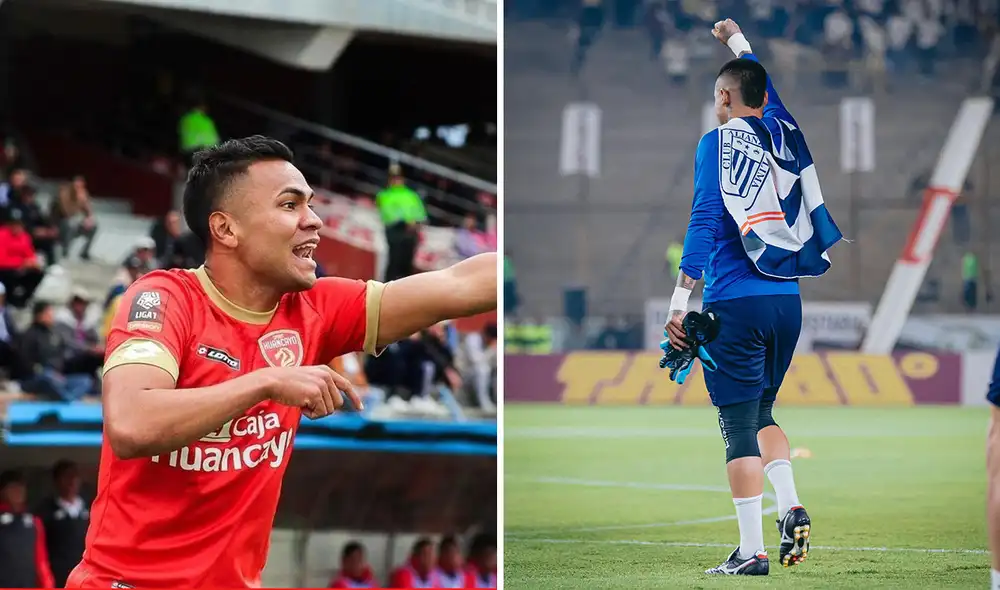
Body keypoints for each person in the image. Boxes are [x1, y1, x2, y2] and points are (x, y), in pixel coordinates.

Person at [66, 136, 496, 588]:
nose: (314, 221)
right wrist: (265, 382)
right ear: (226, 229)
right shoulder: (164, 298)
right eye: (290, 205)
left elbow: (459, 284)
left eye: (310, 204)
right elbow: (132, 424)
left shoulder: (317, 308)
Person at [662, 19, 842, 576]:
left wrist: (679, 302)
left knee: (737, 425)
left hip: (735, 302)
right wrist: (738, 43)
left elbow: (704, 219)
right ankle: (790, 505)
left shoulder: (715, 143)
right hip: (787, 302)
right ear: (765, 97)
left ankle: (750, 552)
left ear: (723, 97)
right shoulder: (784, 130)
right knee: (763, 412)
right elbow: (763, 88)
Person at [35, 460, 91, 588]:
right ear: (56, 481)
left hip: (85, 576)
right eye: (66, 476)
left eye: (74, 476)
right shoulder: (45, 511)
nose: (71, 481)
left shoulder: (91, 507)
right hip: (58, 577)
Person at [0, 470, 56, 588]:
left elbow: (41, 560)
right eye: (13, 487)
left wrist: (47, 584)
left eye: (21, 487)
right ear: (3, 491)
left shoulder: (34, 522)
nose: (18, 492)